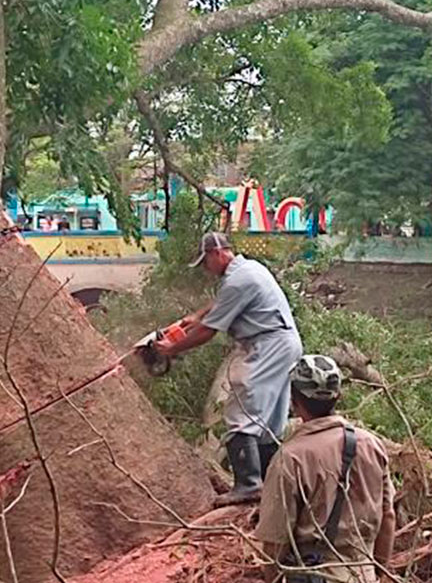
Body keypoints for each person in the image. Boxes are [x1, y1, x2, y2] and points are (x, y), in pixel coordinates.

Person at [154, 232, 302, 506]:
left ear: (218, 253)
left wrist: (172, 348)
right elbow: (219, 305)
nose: (205, 269)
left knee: (241, 412)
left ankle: (248, 485)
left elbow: (209, 331)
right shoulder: (249, 269)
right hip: (282, 342)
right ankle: (271, 484)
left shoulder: (238, 281)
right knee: (269, 420)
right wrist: (195, 316)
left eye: (205, 262)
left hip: (267, 344)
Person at [255, 355, 395, 583]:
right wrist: (378, 571)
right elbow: (388, 516)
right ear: (338, 396)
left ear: (293, 399)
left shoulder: (291, 457)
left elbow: (275, 540)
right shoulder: (372, 445)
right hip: (363, 574)